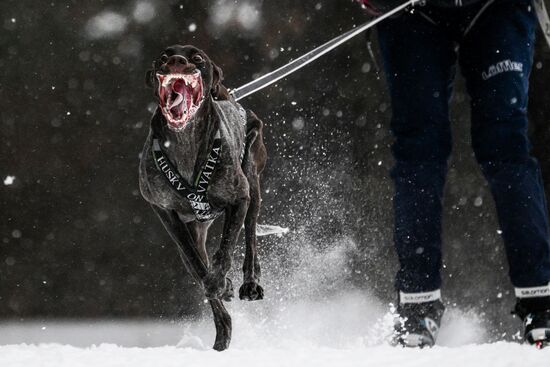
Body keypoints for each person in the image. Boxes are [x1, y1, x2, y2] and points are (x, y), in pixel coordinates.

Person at [358, 0, 550, 347]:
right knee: (419, 150)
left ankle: (542, 304)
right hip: (411, 12)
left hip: (496, 9)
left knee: (505, 144)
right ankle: (417, 308)